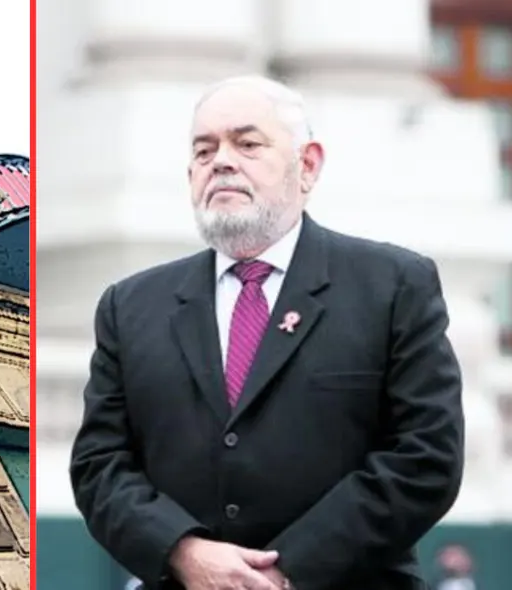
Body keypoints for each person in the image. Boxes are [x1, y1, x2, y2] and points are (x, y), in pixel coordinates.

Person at [68, 75, 465, 590]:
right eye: (204, 149)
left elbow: (427, 454)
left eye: (248, 143)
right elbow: (99, 466)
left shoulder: (391, 286)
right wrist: (184, 552)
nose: (222, 161)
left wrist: (284, 572)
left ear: (308, 165)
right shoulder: (131, 306)